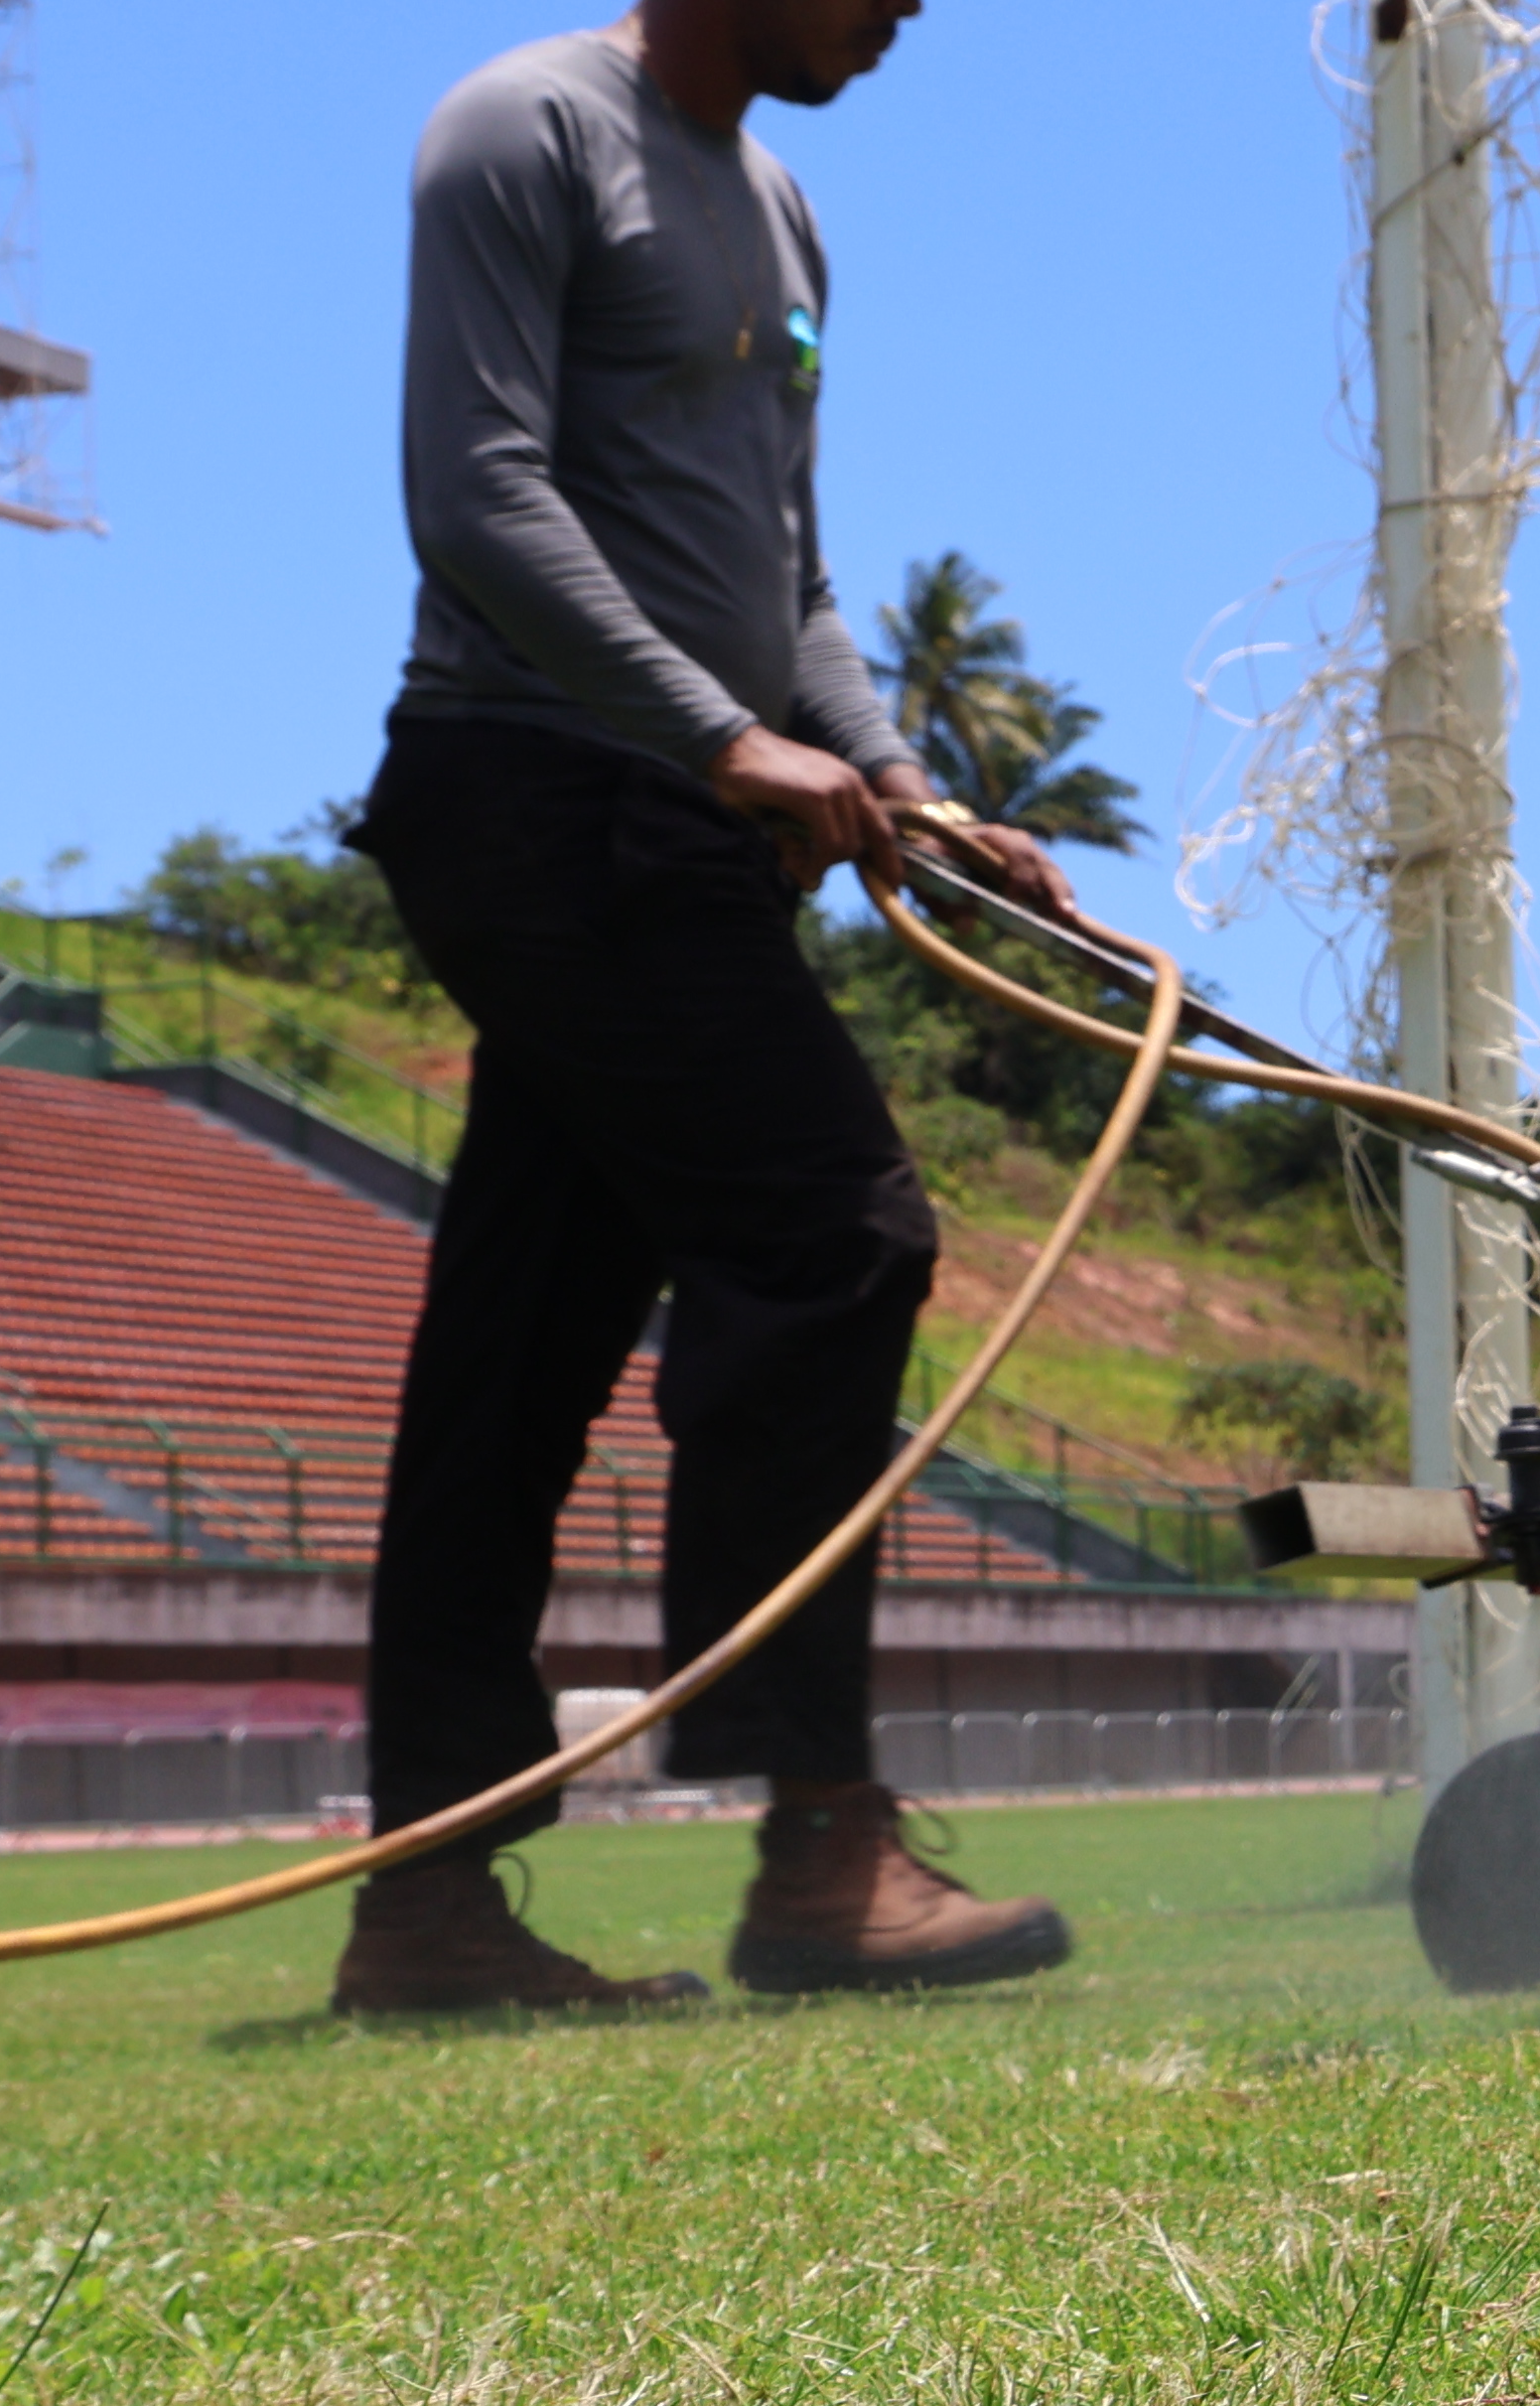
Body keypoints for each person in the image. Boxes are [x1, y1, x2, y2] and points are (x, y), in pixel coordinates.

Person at [333, 0, 1088, 2017]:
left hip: (676, 817)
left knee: (516, 1353)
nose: (907, 4)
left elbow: (792, 570)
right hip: (539, 793)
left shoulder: (785, 209)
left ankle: (423, 1904)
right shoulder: (520, 131)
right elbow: (476, 499)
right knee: (833, 1236)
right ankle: (817, 1842)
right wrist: (721, 741)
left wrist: (894, 778)